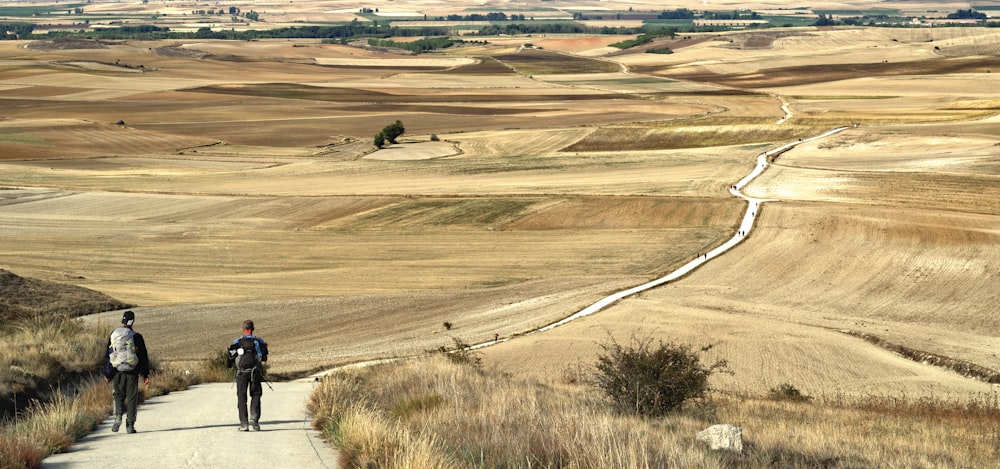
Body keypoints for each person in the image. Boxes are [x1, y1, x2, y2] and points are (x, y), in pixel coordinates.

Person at [104, 310, 150, 434]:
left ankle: (118, 416)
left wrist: (108, 374)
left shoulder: (114, 335)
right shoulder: (136, 337)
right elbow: (144, 357)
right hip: (132, 372)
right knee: (131, 398)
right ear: (132, 321)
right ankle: (130, 424)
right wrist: (145, 374)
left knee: (118, 395)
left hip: (117, 371)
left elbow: (108, 355)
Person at [227, 319, 268, 431]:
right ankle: (254, 420)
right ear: (253, 329)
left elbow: (230, 358)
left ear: (243, 329)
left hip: (241, 373)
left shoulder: (237, 341)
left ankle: (244, 424)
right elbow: (264, 358)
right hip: (255, 373)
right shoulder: (259, 341)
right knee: (256, 395)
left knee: (241, 397)